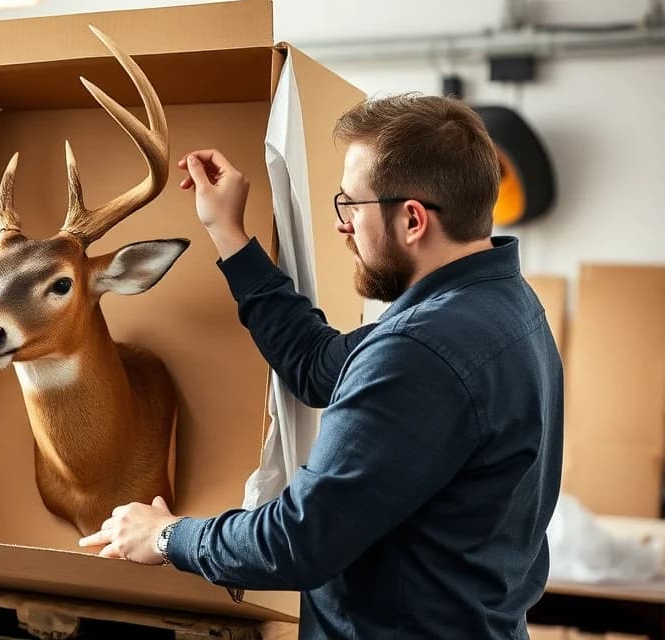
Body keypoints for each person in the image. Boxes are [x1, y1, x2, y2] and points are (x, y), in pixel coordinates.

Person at [79, 94, 564, 638]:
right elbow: (318, 364)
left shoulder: (420, 351)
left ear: (411, 219)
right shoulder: (503, 305)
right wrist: (229, 234)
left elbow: (298, 541)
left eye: (350, 206)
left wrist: (167, 536)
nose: (343, 227)